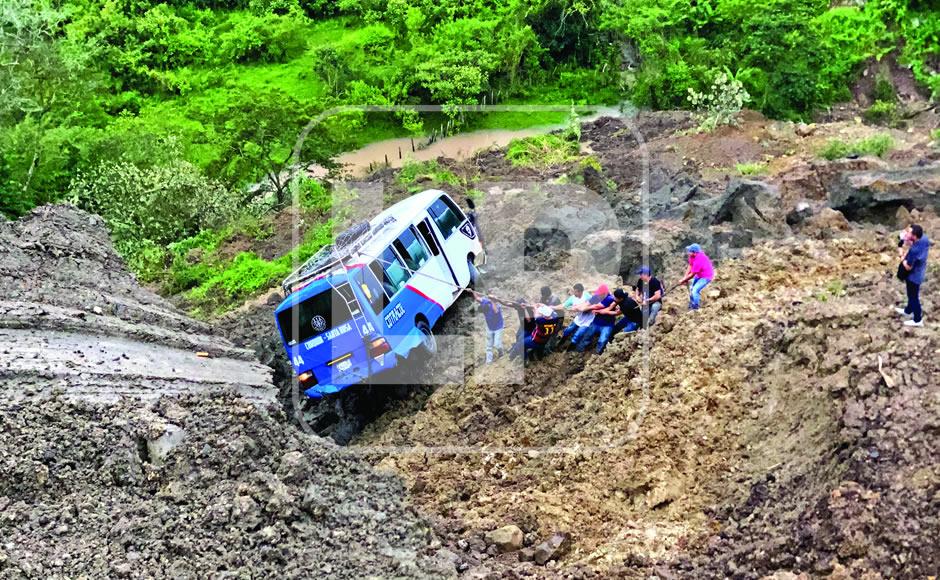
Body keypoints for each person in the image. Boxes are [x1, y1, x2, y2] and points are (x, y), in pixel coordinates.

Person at [896, 224, 930, 327]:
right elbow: (914, 242)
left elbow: (908, 267)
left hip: (913, 276)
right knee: (911, 295)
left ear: (915, 236)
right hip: (920, 270)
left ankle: (917, 320)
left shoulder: (914, 251)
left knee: (913, 297)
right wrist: (908, 240)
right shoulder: (924, 239)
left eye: (909, 232)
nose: (907, 233)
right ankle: (908, 310)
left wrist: (901, 255)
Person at [574, 285, 617, 354]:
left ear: (605, 293)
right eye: (598, 294)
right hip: (596, 322)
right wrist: (579, 306)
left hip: (607, 324)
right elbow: (588, 303)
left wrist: (582, 309)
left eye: (600, 294)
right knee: (587, 336)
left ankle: (596, 356)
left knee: (602, 341)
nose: (598, 296)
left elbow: (596, 306)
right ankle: (578, 351)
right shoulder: (597, 296)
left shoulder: (610, 299)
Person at [677, 243, 715, 310]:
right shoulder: (692, 256)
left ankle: (695, 307)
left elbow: (692, 274)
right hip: (699, 274)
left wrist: (683, 280)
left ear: (694, 252)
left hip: (706, 276)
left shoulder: (699, 260)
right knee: (691, 288)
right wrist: (685, 277)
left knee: (695, 290)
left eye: (689, 251)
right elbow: (690, 265)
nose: (688, 252)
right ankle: (692, 303)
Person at [475, 292, 504, 363]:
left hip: (498, 327)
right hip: (490, 328)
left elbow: (496, 311)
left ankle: (501, 352)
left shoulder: (496, 306)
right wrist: (472, 291)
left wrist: (493, 300)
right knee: (489, 346)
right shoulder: (484, 302)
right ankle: (489, 361)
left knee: (497, 344)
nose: (484, 312)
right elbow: (477, 298)